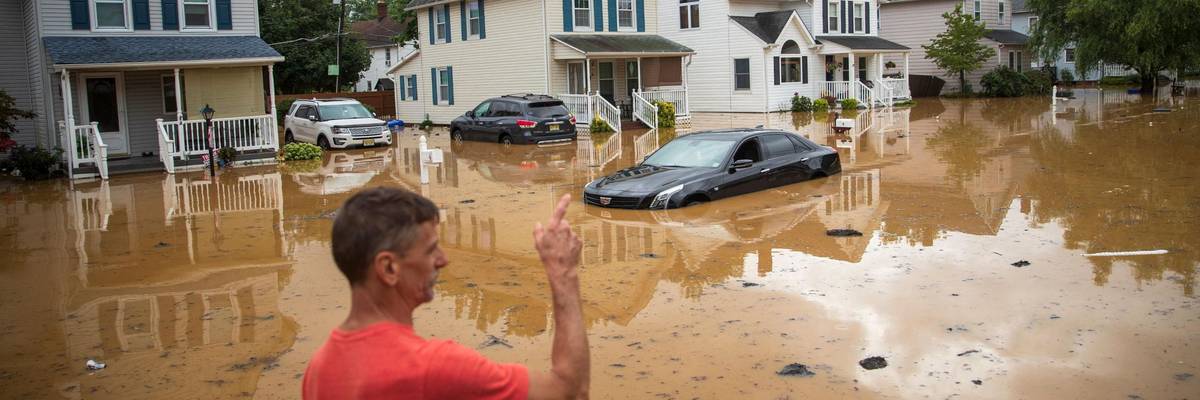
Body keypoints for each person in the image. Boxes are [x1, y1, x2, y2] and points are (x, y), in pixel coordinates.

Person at [303, 188, 589, 399]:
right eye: (430, 250)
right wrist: (563, 273)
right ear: (389, 267)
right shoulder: (435, 368)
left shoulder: (318, 369)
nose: (443, 260)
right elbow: (570, 391)